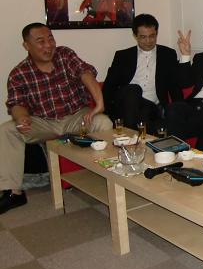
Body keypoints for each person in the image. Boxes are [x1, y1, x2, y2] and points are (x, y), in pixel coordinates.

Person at [0, 23, 113, 214]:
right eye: (40, 41)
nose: (48, 45)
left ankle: (109, 176)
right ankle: (13, 192)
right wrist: (22, 118)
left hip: (76, 116)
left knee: (103, 122)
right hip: (44, 122)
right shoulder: (19, 73)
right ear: (26, 46)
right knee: (7, 130)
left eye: (50, 39)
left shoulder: (64, 55)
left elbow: (85, 73)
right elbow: (16, 104)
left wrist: (99, 104)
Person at [102, 13, 182, 132]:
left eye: (152, 36)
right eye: (143, 37)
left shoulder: (167, 54)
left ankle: (130, 134)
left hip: (151, 107)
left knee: (146, 113)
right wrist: (108, 112)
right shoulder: (123, 56)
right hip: (127, 103)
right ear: (135, 36)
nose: (148, 41)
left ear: (156, 33)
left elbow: (175, 86)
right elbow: (109, 87)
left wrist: (179, 110)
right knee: (134, 90)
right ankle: (133, 132)